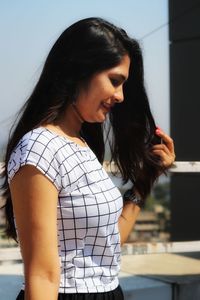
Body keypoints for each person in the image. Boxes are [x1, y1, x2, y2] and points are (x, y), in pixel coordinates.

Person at [1, 17, 175, 300]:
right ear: (78, 71)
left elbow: (107, 244)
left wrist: (145, 180)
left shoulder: (80, 145)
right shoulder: (39, 148)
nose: (120, 96)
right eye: (115, 81)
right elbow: (42, 275)